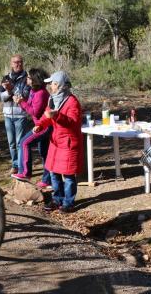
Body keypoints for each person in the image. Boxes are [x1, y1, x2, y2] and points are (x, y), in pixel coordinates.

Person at [34, 71, 83, 213]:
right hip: (56, 142)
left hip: (68, 142)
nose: (51, 87)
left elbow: (73, 122)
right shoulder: (52, 99)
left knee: (68, 175)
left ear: (61, 86)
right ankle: (57, 198)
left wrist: (57, 116)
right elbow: (47, 116)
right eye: (50, 84)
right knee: (53, 172)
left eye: (53, 84)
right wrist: (40, 125)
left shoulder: (72, 101)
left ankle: (69, 202)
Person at [11, 68, 52, 187]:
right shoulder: (33, 91)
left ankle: (25, 172)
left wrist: (21, 102)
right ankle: (47, 179)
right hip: (39, 125)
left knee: (24, 142)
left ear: (35, 79)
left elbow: (35, 112)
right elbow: (29, 107)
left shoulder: (41, 93)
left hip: (44, 125)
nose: (27, 79)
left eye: (29, 77)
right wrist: (21, 101)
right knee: (44, 152)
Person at [0, 55, 31, 174]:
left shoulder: (27, 78)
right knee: (11, 143)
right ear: (11, 64)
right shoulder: (6, 78)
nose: (18, 64)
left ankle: (21, 167)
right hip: (7, 115)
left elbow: (25, 95)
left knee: (19, 143)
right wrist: (8, 91)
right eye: (15, 62)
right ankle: (15, 165)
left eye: (20, 62)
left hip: (20, 115)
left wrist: (12, 90)